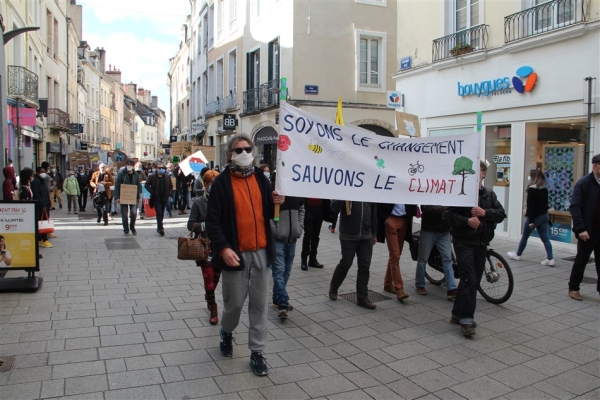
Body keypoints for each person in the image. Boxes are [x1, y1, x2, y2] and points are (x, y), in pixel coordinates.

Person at [206, 133, 284, 377]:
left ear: (253, 151)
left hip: (261, 251)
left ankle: (257, 352)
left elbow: (271, 212)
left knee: (259, 305)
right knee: (235, 304)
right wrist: (223, 248)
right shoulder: (221, 183)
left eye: (247, 149)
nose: (243, 153)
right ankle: (227, 332)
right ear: (230, 154)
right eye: (238, 150)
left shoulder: (261, 178)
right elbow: (212, 222)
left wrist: (278, 202)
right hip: (234, 254)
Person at [443, 161, 506, 337]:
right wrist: (467, 221)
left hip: (481, 243)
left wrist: (485, 213)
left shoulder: (489, 195)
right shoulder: (460, 193)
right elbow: (447, 215)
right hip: (463, 242)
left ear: (484, 174)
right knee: (469, 279)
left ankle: (457, 314)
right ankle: (466, 319)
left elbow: (501, 214)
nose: (474, 175)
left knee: (472, 281)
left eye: (478, 172)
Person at [328, 200, 378, 309]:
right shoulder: (347, 187)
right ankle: (334, 287)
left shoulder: (369, 191)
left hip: (366, 235)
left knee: (364, 267)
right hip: (348, 235)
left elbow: (373, 213)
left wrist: (373, 233)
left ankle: (362, 297)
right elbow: (333, 207)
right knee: (346, 263)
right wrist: (343, 196)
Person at [187, 170, 221, 325]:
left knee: (215, 278)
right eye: (210, 183)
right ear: (205, 185)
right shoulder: (199, 203)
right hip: (204, 245)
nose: (214, 185)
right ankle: (213, 307)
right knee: (208, 277)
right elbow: (190, 224)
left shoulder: (225, 201)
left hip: (220, 245)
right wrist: (205, 225)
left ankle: (209, 295)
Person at [269, 171, 304, 318]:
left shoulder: (297, 191)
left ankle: (277, 298)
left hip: (292, 238)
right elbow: (266, 214)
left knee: (286, 271)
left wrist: (299, 227)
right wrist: (275, 230)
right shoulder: (272, 193)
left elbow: (302, 210)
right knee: (279, 271)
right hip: (278, 238)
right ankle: (283, 303)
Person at [567, 154, 600, 301]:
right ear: (595, 166)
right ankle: (574, 287)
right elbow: (575, 207)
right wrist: (581, 229)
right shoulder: (584, 183)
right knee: (581, 260)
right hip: (588, 230)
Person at [507, 169, 554, 266]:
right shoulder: (544, 189)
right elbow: (545, 204)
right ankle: (550, 258)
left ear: (533, 178)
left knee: (525, 236)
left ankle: (518, 254)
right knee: (545, 238)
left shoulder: (532, 190)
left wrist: (531, 221)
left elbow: (531, 207)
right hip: (544, 216)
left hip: (535, 217)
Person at [415, 205, 457, 300]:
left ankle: (451, 288)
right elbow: (426, 208)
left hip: (444, 230)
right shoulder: (430, 194)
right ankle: (420, 284)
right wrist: (445, 208)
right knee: (423, 259)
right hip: (429, 230)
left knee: (447, 259)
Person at [377, 203, 417, 301]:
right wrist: (385, 219)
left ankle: (388, 283)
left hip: (404, 221)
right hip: (391, 220)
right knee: (395, 255)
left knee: (396, 255)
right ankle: (399, 289)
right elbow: (379, 203)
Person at [145, 161, 173, 236]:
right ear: (156, 169)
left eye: (162, 168)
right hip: (156, 198)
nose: (161, 169)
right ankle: (160, 228)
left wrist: (169, 192)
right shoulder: (152, 176)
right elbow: (146, 185)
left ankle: (159, 226)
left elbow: (171, 185)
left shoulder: (167, 176)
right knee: (159, 212)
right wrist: (152, 192)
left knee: (162, 213)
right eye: (159, 168)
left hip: (164, 197)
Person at [114, 159, 142, 235]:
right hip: (123, 196)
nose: (129, 166)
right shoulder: (121, 174)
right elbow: (117, 186)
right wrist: (117, 197)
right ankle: (126, 229)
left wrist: (138, 197)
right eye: (128, 164)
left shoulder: (136, 175)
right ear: (126, 165)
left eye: (131, 164)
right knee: (124, 214)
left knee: (133, 213)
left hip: (133, 197)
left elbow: (138, 186)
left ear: (133, 166)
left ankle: (132, 227)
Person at [31, 167, 53, 248]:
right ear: (37, 172)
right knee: (42, 222)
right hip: (41, 206)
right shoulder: (35, 182)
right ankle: (43, 239)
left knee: (42, 222)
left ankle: (41, 238)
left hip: (45, 204)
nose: (43, 173)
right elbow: (37, 194)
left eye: (44, 171)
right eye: (41, 172)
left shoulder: (42, 180)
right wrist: (42, 204)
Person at [300, 197, 325, 270]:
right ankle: (304, 260)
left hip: (319, 208)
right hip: (308, 208)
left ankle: (312, 259)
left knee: (316, 236)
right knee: (308, 235)